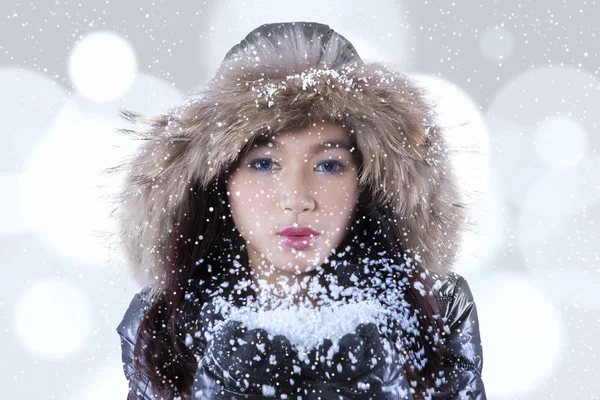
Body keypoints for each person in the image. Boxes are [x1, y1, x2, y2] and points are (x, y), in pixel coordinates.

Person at [112, 21, 487, 400]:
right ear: (220, 182)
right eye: (263, 163)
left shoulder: (436, 307)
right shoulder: (165, 318)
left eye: (328, 165)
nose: (297, 198)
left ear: (367, 181)